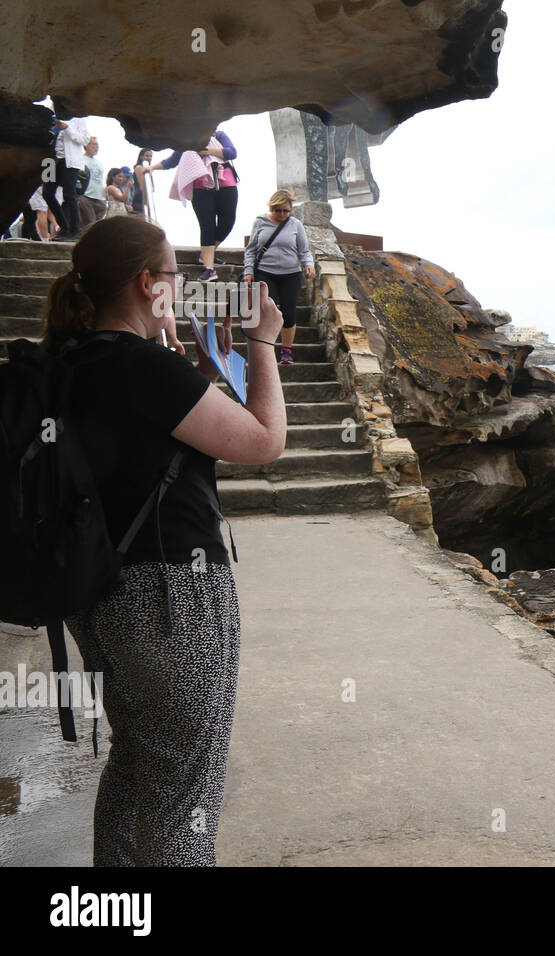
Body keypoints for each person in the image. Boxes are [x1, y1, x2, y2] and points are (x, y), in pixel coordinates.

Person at [42, 215, 286, 866]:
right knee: (181, 794)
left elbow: (163, 438)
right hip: (170, 601)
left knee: (144, 769)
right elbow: (263, 441)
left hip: (99, 597)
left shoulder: (63, 361)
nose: (179, 291)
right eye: (174, 279)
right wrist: (262, 344)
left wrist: (199, 368)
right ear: (149, 284)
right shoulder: (143, 369)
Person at [149, 128, 238, 281]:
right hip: (201, 187)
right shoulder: (187, 140)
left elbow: (231, 153)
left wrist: (206, 150)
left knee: (227, 222)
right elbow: (173, 160)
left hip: (226, 183)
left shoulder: (219, 135)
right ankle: (209, 268)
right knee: (207, 225)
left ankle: (206, 254)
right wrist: (152, 168)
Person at [243, 190, 315, 364]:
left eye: (286, 211)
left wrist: (309, 264)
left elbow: (304, 250)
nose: (282, 215)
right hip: (265, 272)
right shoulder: (260, 222)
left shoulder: (295, 224)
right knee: (267, 311)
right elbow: (251, 250)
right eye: (278, 211)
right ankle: (265, 348)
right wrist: (248, 271)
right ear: (272, 208)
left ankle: (286, 350)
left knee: (289, 313)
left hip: (291, 274)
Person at [42, 116, 90, 241]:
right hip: (49, 161)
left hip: (70, 161)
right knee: (47, 194)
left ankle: (75, 230)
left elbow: (85, 140)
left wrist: (67, 128)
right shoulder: (49, 114)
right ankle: (64, 227)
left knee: (69, 195)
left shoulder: (78, 118)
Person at [82, 137, 107, 222]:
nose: (97, 147)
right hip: (86, 196)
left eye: (98, 145)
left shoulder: (99, 163)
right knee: (89, 223)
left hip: (100, 198)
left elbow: (101, 180)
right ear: (86, 145)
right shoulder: (80, 159)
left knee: (98, 225)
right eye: (94, 144)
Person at [130, 149, 153, 217]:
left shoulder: (148, 169)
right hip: (139, 198)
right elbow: (142, 186)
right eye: (147, 156)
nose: (149, 158)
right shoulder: (139, 167)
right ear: (141, 157)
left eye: (151, 156)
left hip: (145, 196)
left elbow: (152, 187)